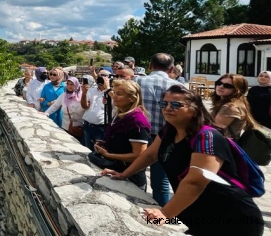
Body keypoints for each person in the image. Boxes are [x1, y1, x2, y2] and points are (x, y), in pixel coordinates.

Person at [101, 85, 264, 236]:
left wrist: (164, 213)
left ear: (194, 109)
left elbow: (196, 181)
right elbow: (150, 155)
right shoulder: (169, 131)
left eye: (176, 105)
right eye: (164, 103)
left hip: (232, 217)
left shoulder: (207, 137)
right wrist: (123, 174)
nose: (168, 108)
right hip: (195, 212)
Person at [136, 53, 180, 206]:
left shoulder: (138, 81)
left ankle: (138, 208)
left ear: (150, 65)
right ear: (171, 68)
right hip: (165, 137)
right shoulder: (177, 87)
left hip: (139, 135)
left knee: (136, 174)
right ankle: (160, 218)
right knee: (161, 181)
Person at [94, 79, 151, 190]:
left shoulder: (137, 121)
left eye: (119, 94)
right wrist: (107, 143)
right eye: (114, 92)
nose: (114, 96)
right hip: (117, 172)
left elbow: (139, 156)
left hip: (131, 178)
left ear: (132, 99)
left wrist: (109, 155)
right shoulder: (120, 113)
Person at [210, 73, 257, 140]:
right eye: (219, 83)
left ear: (237, 90)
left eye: (227, 86)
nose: (221, 86)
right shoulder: (235, 103)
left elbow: (213, 130)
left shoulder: (230, 107)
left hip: (222, 145)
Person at [80, 69, 111, 149]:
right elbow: (85, 106)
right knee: (87, 150)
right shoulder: (91, 90)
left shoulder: (112, 92)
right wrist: (84, 93)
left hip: (101, 128)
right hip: (88, 125)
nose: (100, 77)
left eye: (103, 75)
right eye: (99, 75)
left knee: (99, 151)